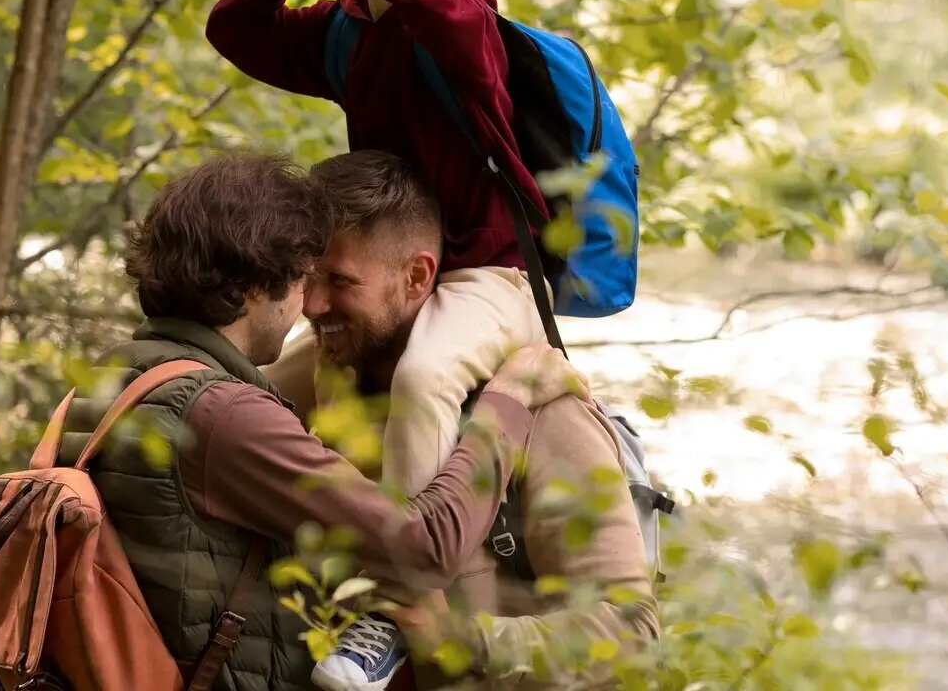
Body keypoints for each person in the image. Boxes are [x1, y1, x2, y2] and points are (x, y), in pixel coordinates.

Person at [207, 0, 556, 687]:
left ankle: (392, 611)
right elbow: (236, 34)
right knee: (262, 390)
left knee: (426, 375)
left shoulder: (465, 12)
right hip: (382, 278)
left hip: (486, 276)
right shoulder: (347, 29)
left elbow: (447, 18)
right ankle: (279, 576)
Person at [55, 151, 584, 691]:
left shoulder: (117, 377)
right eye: (303, 276)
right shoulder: (223, 414)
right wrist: (508, 403)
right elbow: (423, 551)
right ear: (258, 283)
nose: (307, 306)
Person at [263, 151, 660, 691]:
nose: (312, 304)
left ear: (417, 275)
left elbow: (631, 632)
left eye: (339, 280)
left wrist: (463, 639)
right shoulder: (321, 374)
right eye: (307, 278)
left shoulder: (545, 413)